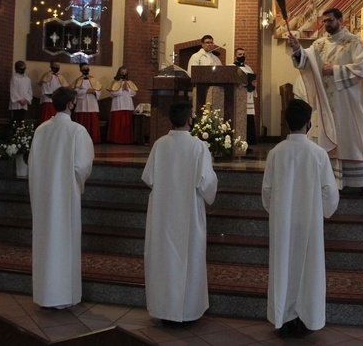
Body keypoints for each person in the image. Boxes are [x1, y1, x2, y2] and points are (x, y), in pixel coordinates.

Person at [262, 99, 339, 338]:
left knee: (283, 266)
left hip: (283, 223)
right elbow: (329, 191)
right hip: (310, 222)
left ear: (286, 123)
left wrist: (276, 211)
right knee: (309, 268)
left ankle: (283, 318)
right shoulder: (318, 154)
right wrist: (323, 211)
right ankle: (307, 319)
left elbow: (267, 192)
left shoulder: (276, 153)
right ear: (309, 123)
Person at [288, 8, 363, 195]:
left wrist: (336, 70)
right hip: (327, 103)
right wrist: (297, 49)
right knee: (329, 139)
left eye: (329, 21)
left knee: (354, 139)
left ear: (341, 20)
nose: (326, 25)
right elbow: (306, 61)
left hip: (348, 102)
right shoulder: (319, 44)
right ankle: (334, 183)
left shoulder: (353, 42)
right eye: (323, 21)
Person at [142, 101, 218, 326]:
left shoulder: (159, 145)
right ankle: (186, 311)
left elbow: (149, 178)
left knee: (164, 259)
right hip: (188, 213)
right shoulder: (197, 147)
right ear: (189, 120)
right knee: (188, 258)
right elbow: (207, 184)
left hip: (163, 213)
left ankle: (165, 309)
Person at [28, 86, 94, 309]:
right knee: (64, 241)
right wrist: (76, 184)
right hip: (65, 196)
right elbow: (82, 166)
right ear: (70, 104)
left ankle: (46, 294)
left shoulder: (41, 130)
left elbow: (33, 163)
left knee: (46, 241)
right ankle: (63, 296)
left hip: (43, 195)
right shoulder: (77, 131)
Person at [232, 47, 257, 146]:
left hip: (248, 97)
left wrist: (254, 85)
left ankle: (247, 143)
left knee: (248, 120)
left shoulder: (248, 68)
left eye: (243, 54)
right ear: (235, 56)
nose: (242, 56)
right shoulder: (231, 67)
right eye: (240, 55)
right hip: (237, 97)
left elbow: (252, 81)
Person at [107, 66, 137, 144]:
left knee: (126, 124)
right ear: (119, 73)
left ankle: (127, 139)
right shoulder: (114, 82)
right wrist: (121, 89)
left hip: (127, 104)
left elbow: (134, 93)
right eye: (122, 73)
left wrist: (128, 89)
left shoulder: (130, 82)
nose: (123, 74)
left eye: (125, 73)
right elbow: (112, 93)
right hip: (118, 105)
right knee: (117, 124)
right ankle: (116, 139)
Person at [72, 62, 102, 143]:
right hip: (82, 104)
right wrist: (86, 91)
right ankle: (81, 139)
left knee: (93, 123)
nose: (86, 70)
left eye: (87, 68)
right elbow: (75, 91)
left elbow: (99, 91)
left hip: (92, 103)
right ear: (80, 69)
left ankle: (94, 139)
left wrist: (94, 92)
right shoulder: (78, 80)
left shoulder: (94, 79)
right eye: (84, 68)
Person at [38, 59, 68, 123]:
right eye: (55, 65)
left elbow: (64, 88)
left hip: (58, 101)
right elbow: (44, 88)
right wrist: (52, 95)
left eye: (58, 65)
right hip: (48, 101)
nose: (57, 67)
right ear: (51, 65)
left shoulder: (60, 77)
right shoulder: (47, 75)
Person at [9, 60, 32, 127]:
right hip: (17, 103)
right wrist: (19, 100)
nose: (22, 70)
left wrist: (26, 99)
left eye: (23, 68)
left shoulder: (27, 79)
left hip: (24, 102)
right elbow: (13, 90)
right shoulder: (14, 78)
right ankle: (14, 134)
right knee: (16, 119)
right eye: (21, 68)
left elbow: (29, 91)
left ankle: (21, 134)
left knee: (22, 120)